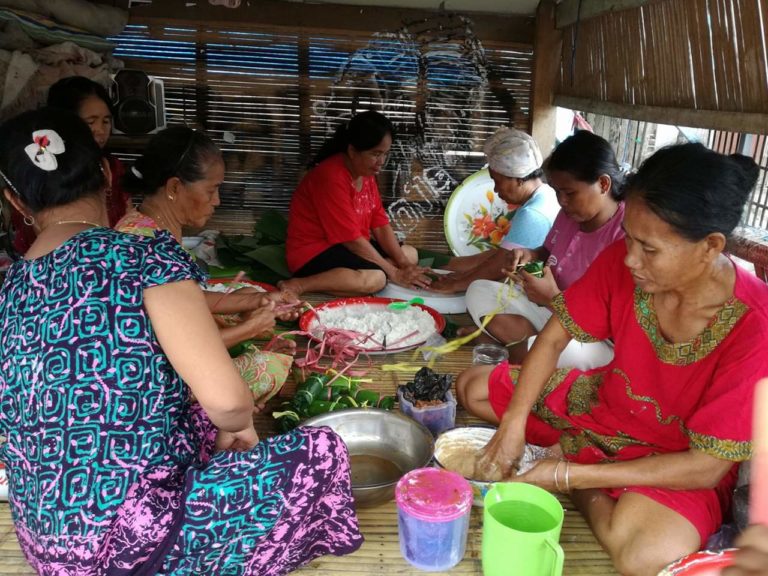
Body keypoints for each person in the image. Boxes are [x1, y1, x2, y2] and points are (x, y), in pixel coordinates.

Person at [0, 108, 362, 575]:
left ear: (16, 200)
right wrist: (239, 426)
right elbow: (228, 402)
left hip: (51, 552)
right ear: (103, 175)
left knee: (191, 417)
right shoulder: (143, 254)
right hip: (130, 546)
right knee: (321, 452)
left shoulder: (11, 288)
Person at [456, 143, 768, 576]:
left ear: (710, 246)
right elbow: (551, 339)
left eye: (650, 249)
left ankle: (571, 464)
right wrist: (512, 426)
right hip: (599, 408)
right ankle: (569, 457)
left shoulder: (755, 326)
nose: (630, 259)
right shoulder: (626, 265)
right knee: (471, 388)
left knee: (645, 556)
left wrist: (567, 477)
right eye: (631, 240)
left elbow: (705, 467)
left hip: (672, 460)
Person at [117, 125, 299, 405]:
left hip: (166, 347)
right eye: (212, 190)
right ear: (175, 187)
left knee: (243, 296)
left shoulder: (142, 225)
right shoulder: (150, 246)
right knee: (270, 366)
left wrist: (260, 300)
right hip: (150, 380)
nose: (217, 200)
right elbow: (183, 349)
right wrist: (250, 329)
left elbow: (187, 299)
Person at [462, 131, 626, 367]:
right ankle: (523, 350)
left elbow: (611, 324)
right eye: (557, 192)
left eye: (569, 193)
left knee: (560, 351)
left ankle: (518, 349)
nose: (562, 201)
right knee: (478, 291)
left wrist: (554, 299)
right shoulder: (568, 214)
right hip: (551, 313)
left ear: (603, 183)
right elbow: (546, 252)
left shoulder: (626, 232)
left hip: (592, 338)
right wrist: (529, 255)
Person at [282, 109, 431, 296]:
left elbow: (380, 224)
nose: (381, 162)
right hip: (314, 253)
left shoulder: (365, 173)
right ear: (352, 151)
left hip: (345, 247)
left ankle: (359, 277)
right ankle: (299, 284)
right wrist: (394, 272)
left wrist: (405, 266)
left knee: (410, 254)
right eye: (376, 154)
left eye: (385, 154)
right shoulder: (331, 177)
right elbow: (351, 240)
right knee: (376, 278)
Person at [9, 76, 132, 255]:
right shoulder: (43, 172)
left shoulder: (112, 167)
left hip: (111, 258)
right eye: (90, 122)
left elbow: (128, 216)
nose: (100, 130)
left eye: (106, 121)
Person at [429, 127, 560, 294]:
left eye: (498, 181)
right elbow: (502, 254)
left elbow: (499, 265)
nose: (496, 190)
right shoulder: (545, 193)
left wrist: (457, 285)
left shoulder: (532, 214)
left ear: (518, 179)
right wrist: (461, 273)